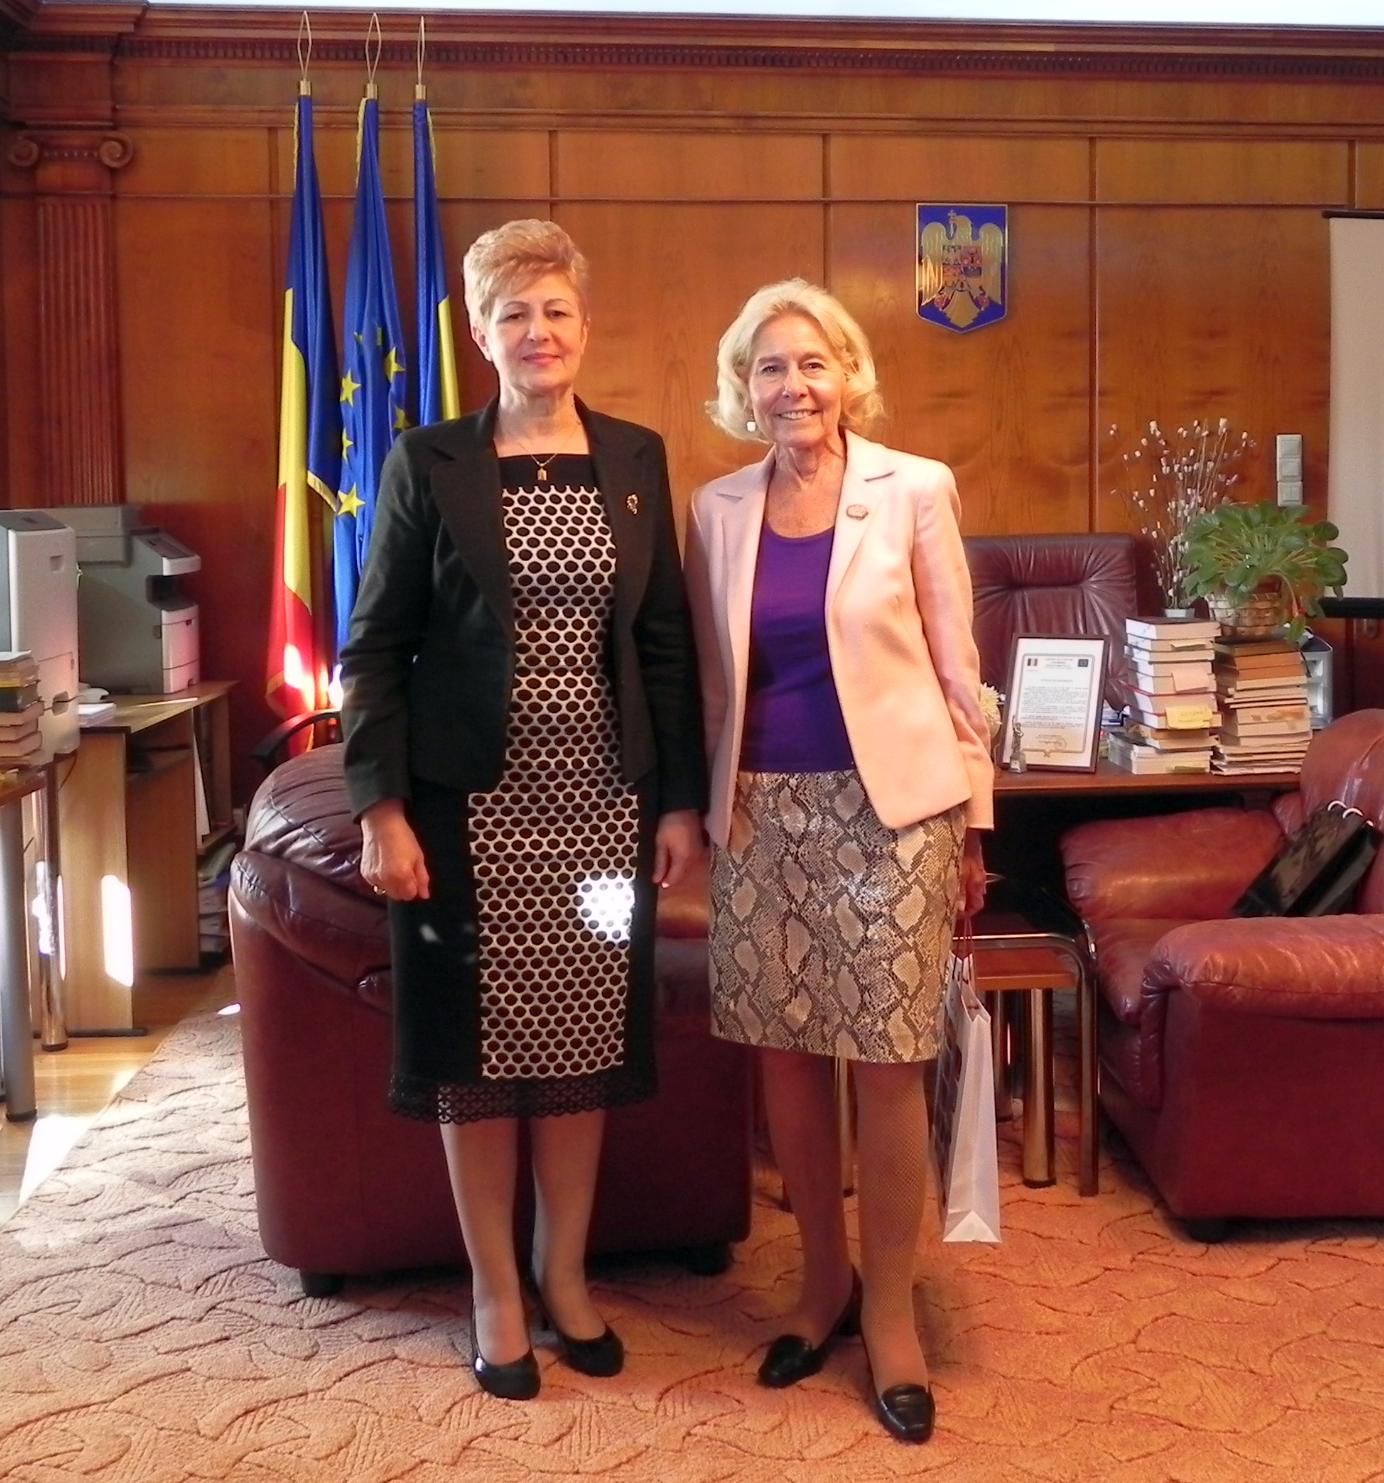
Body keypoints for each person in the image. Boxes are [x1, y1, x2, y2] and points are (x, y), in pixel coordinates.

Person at [339, 219, 708, 1401]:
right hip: (466, 811)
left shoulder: (636, 455)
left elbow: (665, 643)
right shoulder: (429, 460)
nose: (537, 331)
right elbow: (374, 645)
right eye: (513, 313)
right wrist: (380, 808)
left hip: (604, 809)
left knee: (583, 1042)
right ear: (481, 332)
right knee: (475, 1056)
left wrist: (680, 803)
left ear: (584, 326)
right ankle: (495, 1285)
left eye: (555, 310)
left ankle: (564, 1269)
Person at [685, 278, 993, 1446]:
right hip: (760, 813)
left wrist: (976, 827)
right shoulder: (716, 508)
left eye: (812, 362)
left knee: (891, 1057)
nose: (792, 386)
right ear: (742, 386)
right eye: (769, 366)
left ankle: (894, 1309)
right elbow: (710, 679)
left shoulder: (914, 488)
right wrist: (699, 813)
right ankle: (823, 1283)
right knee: (788, 1057)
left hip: (894, 814)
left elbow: (959, 669)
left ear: (849, 374)